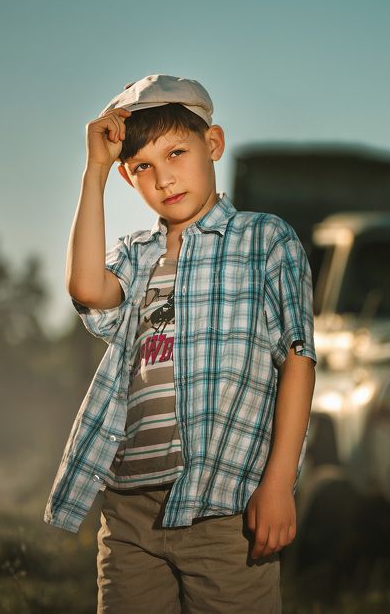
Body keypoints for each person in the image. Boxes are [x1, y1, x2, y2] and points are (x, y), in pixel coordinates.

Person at [43, 74, 317, 613]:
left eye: (177, 153)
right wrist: (95, 170)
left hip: (222, 511)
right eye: (144, 166)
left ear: (212, 144)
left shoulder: (263, 239)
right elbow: (85, 289)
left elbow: (298, 360)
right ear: (128, 177)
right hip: (130, 511)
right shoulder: (136, 254)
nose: (164, 178)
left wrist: (280, 483)